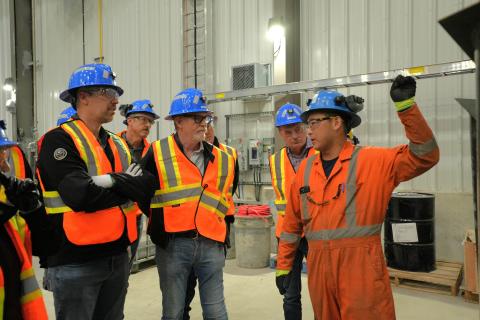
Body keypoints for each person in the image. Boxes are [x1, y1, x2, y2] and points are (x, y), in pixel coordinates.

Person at [276, 76, 440, 319]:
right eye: (307, 124)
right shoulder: (306, 171)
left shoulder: (372, 161)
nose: (308, 130)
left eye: (313, 122)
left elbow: (425, 155)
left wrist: (406, 108)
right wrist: (284, 266)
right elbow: (291, 224)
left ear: (336, 122)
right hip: (319, 268)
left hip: (361, 270)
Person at [36, 63, 154, 319]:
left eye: (116, 94)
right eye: (106, 92)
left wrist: (110, 182)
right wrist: (123, 183)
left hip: (117, 255)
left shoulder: (116, 142)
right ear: (83, 97)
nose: (115, 100)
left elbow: (144, 185)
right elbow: (80, 196)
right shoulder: (59, 140)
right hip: (75, 259)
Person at [142, 88, 235, 320]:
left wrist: (222, 234)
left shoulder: (223, 157)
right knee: (173, 312)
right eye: (197, 118)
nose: (204, 123)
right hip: (174, 245)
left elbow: (227, 197)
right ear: (179, 122)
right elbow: (141, 193)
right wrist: (160, 223)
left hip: (211, 244)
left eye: (206, 118)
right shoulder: (157, 152)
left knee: (216, 311)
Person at [182, 115, 239, 320]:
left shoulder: (228, 154)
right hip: (184, 234)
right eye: (200, 124)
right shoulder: (179, 154)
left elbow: (231, 189)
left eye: (207, 125)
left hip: (215, 230)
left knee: (214, 299)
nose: (205, 129)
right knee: (183, 295)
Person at [269, 103, 317, 320]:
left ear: (306, 127)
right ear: (280, 133)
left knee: (322, 291)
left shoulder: (320, 152)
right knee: (290, 295)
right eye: (288, 132)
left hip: (316, 233)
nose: (295, 135)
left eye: (298, 129)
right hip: (287, 236)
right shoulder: (274, 160)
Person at [0, 120, 48, 319]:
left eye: (4, 154)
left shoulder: (9, 210)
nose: (5, 164)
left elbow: (45, 246)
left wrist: (33, 212)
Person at [118, 100, 159, 268]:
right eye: (143, 119)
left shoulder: (153, 151)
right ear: (129, 121)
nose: (147, 124)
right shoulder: (111, 145)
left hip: (135, 216)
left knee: (126, 267)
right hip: (112, 213)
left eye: (150, 121)